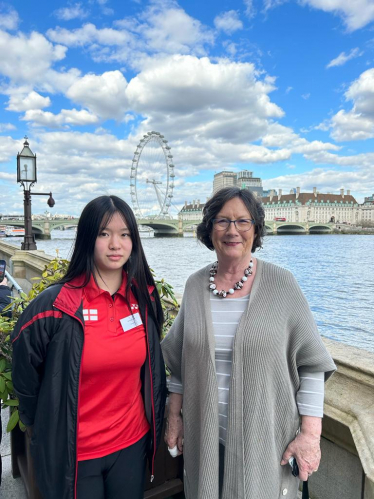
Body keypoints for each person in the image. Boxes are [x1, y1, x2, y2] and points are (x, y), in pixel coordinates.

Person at [161, 187, 336, 499]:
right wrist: (174, 417)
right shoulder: (194, 286)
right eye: (222, 221)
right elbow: (179, 362)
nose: (232, 231)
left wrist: (310, 435)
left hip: (267, 442)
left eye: (243, 222)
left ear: (256, 230)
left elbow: (309, 365)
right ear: (208, 229)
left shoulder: (282, 284)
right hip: (206, 440)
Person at [11, 195, 167, 499]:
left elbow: (153, 365)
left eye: (124, 235)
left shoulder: (144, 299)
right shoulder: (55, 307)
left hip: (131, 444)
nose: (115, 244)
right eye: (104, 233)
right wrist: (40, 426)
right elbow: (25, 372)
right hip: (76, 452)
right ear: (86, 238)